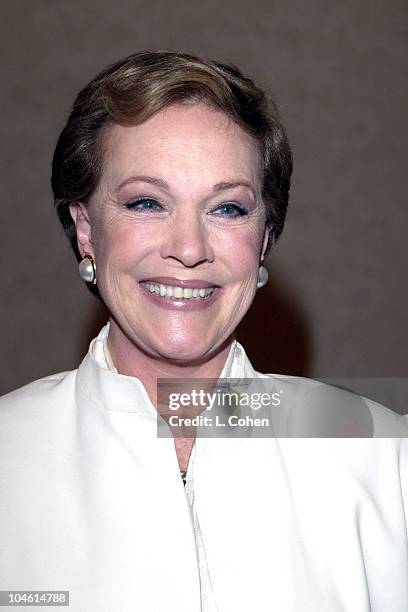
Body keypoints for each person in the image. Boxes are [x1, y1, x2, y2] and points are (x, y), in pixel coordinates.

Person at [0, 50, 407, 612]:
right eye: (147, 202)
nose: (189, 248)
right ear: (86, 227)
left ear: (264, 240)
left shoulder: (381, 455)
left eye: (228, 209)